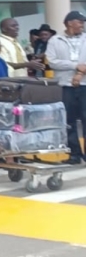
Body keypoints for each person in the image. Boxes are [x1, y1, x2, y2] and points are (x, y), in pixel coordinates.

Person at [47, 11, 86, 165]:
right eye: (80, 22)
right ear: (70, 23)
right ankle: (74, 154)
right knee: (68, 121)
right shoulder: (55, 40)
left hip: (85, 85)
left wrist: (80, 73)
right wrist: (76, 66)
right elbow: (52, 62)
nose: (82, 25)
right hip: (65, 86)